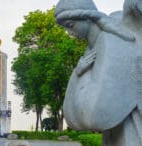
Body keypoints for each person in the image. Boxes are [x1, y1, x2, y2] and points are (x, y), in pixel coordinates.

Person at [55, 0, 142, 145]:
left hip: (132, 118)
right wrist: (78, 71)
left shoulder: (115, 39)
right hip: (114, 124)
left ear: (88, 18)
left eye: (71, 25)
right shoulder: (92, 48)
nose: (70, 32)